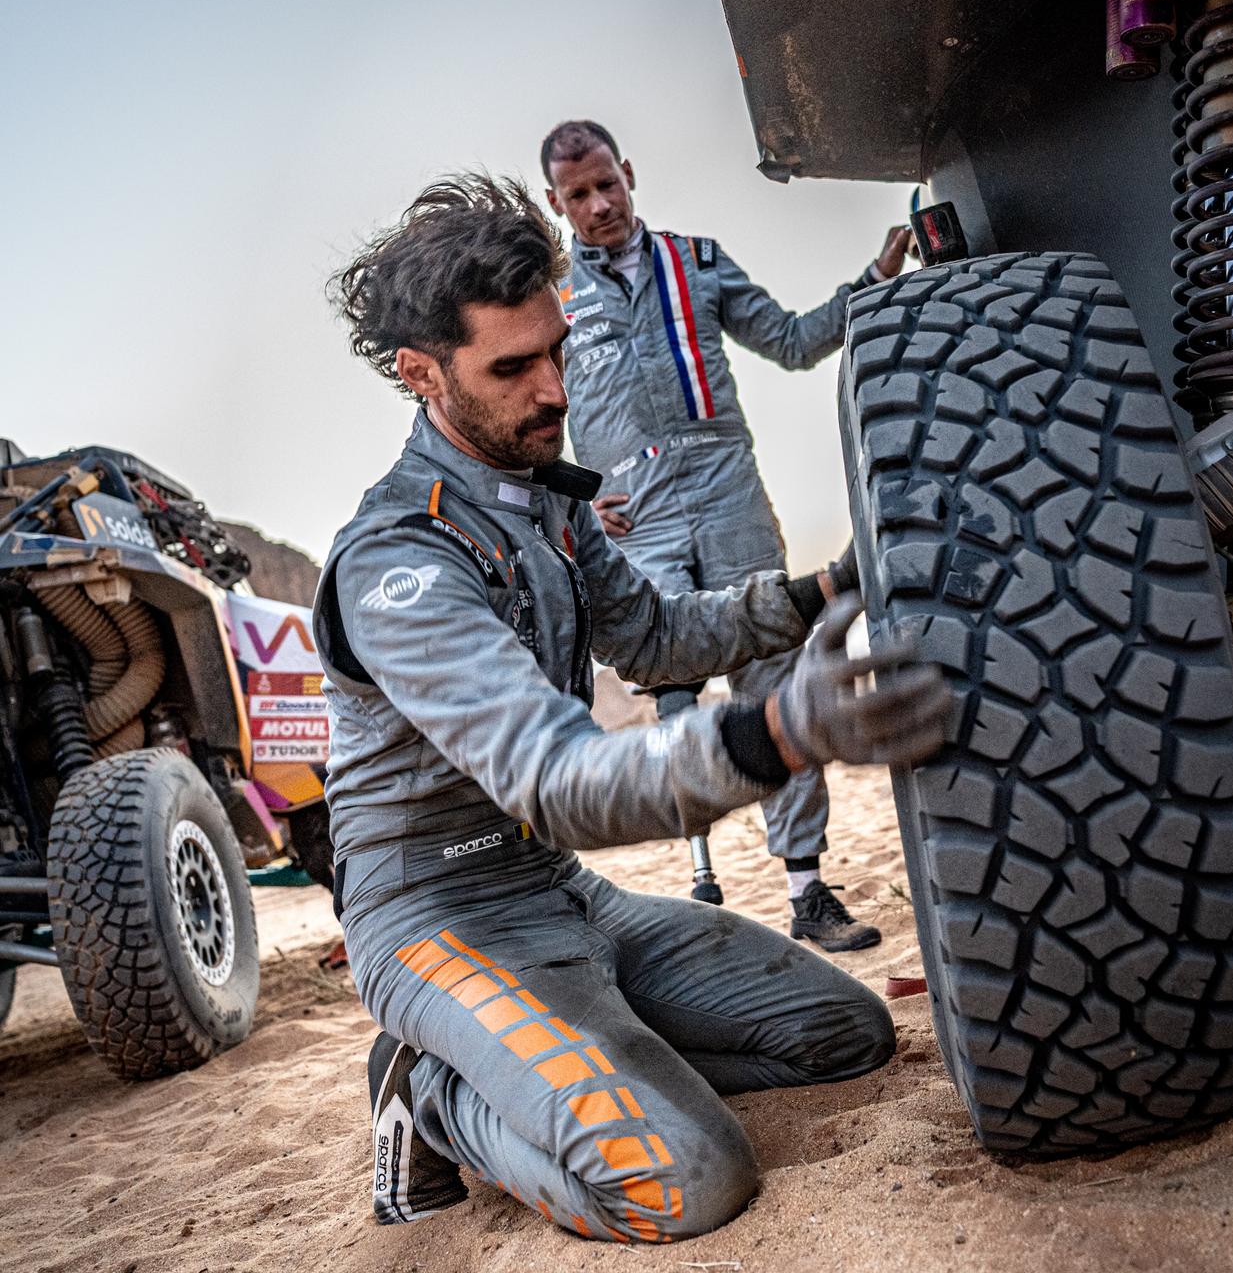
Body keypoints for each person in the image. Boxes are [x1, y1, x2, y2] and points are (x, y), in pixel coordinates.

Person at [316, 174, 949, 1243]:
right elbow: (557, 777)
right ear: (419, 373)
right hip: (436, 921)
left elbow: (656, 636)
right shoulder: (398, 559)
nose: (555, 389)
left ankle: (566, 1057)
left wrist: (819, 592)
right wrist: (779, 733)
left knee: (848, 1033)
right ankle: (431, 1088)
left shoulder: (543, 500)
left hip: (558, 895)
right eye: (512, 367)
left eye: (556, 349)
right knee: (684, 1180)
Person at [538, 118, 910, 952]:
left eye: (608, 184)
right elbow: (531, 410)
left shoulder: (696, 261)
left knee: (775, 671)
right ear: (554, 202)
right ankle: (702, 888)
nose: (600, 206)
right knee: (671, 686)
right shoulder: (551, 295)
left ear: (629, 170)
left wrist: (875, 276)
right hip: (637, 514)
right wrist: (572, 503)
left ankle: (809, 892)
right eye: (578, 196)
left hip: (728, 493)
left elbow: (790, 340)